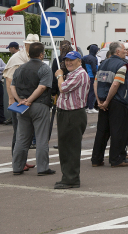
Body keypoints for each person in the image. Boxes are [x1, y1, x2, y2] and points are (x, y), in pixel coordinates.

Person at [9, 42, 54, 175]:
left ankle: (17, 167)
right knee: (41, 138)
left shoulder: (20, 68)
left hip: (21, 106)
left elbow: (12, 86)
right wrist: (30, 100)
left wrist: (20, 100)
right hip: (39, 105)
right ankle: (43, 168)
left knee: (21, 138)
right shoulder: (45, 68)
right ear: (41, 54)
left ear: (29, 54)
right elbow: (42, 87)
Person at [91, 42, 128, 168]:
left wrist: (99, 101)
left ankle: (96, 159)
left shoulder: (103, 63)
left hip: (102, 100)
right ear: (118, 52)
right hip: (116, 101)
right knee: (117, 131)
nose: (125, 52)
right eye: (124, 50)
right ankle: (116, 159)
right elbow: (116, 84)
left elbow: (96, 83)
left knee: (102, 131)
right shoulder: (122, 65)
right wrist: (108, 101)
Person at [54, 51, 90, 188]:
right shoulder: (72, 73)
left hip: (73, 114)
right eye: (66, 60)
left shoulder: (80, 74)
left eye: (72, 60)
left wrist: (59, 76)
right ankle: (67, 177)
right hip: (67, 113)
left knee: (70, 147)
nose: (68, 62)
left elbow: (63, 88)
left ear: (79, 61)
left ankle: (71, 179)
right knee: (65, 147)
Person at [82, 44, 100, 113]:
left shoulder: (86, 57)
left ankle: (86, 107)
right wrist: (97, 77)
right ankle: (91, 107)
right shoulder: (93, 58)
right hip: (92, 77)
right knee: (92, 93)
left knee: (87, 92)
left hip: (88, 76)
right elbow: (94, 69)